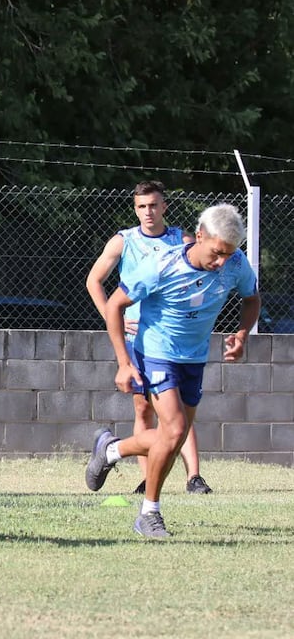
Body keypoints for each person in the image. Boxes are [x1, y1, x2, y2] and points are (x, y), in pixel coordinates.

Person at [86, 204, 259, 538]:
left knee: (172, 435)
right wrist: (123, 363)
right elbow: (114, 305)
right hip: (154, 354)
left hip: (194, 358)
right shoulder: (161, 265)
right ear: (200, 236)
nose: (222, 262)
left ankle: (111, 450)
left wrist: (241, 334)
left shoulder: (236, 264)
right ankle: (149, 513)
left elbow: (252, 298)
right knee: (176, 427)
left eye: (228, 254)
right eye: (217, 253)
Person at [86, 180, 212, 495]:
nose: (148, 212)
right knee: (144, 409)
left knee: (180, 410)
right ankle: (147, 479)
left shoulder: (180, 240)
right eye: (142, 206)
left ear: (164, 207)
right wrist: (110, 315)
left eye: (154, 205)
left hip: (173, 336)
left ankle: (193, 476)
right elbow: (94, 281)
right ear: (135, 209)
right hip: (138, 338)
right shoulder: (123, 241)